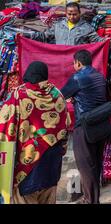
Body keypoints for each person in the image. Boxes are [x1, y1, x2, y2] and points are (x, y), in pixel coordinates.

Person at [0, 61, 70, 204]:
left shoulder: (18, 95)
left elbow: (5, 125)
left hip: (26, 165)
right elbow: (65, 127)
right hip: (51, 164)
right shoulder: (58, 95)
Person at [61, 50, 108, 204]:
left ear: (78, 63)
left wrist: (72, 99)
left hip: (84, 125)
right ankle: (93, 198)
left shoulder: (78, 77)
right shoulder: (100, 76)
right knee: (96, 162)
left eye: (74, 63)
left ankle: (90, 200)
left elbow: (61, 95)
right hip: (101, 124)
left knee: (86, 165)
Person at [29, 2, 103, 45]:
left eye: (74, 14)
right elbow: (44, 36)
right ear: (66, 14)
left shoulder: (87, 28)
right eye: (69, 14)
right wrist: (27, 35)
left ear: (79, 13)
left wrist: (106, 41)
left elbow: (97, 40)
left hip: (76, 62)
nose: (71, 17)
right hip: (60, 58)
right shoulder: (58, 25)